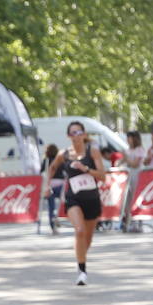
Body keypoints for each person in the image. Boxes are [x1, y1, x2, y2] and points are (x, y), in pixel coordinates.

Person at [45, 120, 107, 284]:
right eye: (73, 133)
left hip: (92, 199)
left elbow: (102, 175)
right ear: (68, 136)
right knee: (79, 231)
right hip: (73, 198)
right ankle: (82, 270)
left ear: (84, 135)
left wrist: (85, 169)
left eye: (79, 133)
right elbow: (51, 168)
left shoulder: (92, 152)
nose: (76, 136)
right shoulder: (63, 154)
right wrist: (47, 186)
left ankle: (81, 258)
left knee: (87, 238)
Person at [43, 143, 62, 233]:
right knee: (64, 202)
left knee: (51, 206)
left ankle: (52, 222)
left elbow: (40, 171)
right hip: (61, 185)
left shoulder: (46, 161)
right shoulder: (60, 160)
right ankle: (58, 217)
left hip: (49, 185)